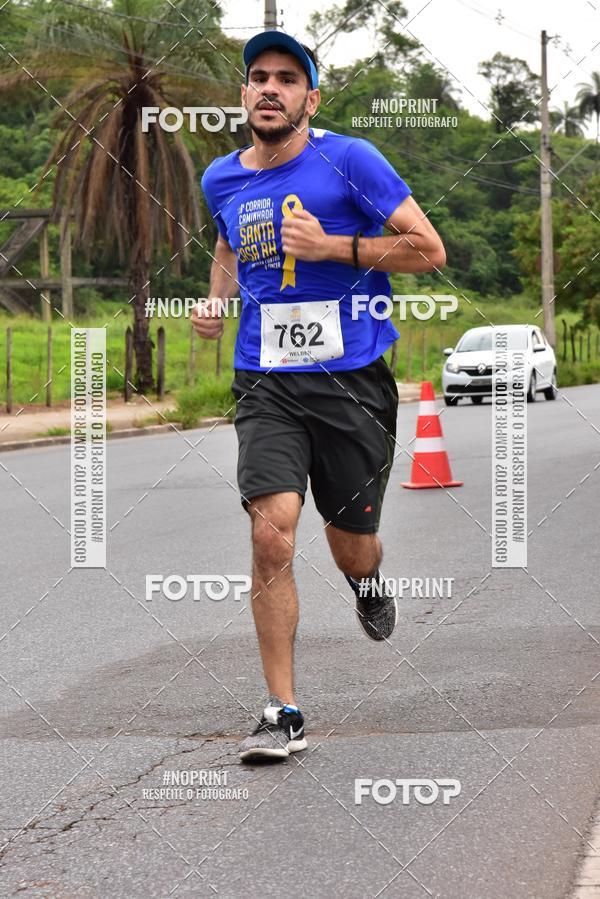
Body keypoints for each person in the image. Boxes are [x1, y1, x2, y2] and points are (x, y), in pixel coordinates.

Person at [192, 31, 446, 762]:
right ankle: (283, 712)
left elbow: (429, 250)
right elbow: (229, 243)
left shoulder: (351, 160)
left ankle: (368, 584)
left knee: (352, 548)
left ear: (311, 98)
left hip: (352, 381)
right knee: (270, 531)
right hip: (266, 380)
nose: (270, 88)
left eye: (287, 78)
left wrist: (332, 246)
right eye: (259, 77)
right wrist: (216, 303)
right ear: (244, 93)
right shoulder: (221, 178)